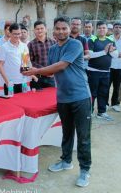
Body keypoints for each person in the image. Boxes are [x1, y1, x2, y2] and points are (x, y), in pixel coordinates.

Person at [23, 17, 92, 188]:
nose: (61, 31)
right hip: (62, 97)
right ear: (53, 30)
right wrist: (30, 71)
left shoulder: (75, 44)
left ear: (70, 29)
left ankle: (84, 170)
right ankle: (66, 161)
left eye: (64, 28)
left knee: (83, 136)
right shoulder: (53, 49)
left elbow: (61, 66)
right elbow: (51, 72)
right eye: (58, 28)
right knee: (66, 132)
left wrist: (36, 70)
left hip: (81, 96)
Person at [87, 21, 118, 121]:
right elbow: (90, 55)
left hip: (106, 72)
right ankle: (89, 112)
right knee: (92, 93)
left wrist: (111, 51)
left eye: (104, 28)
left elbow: (115, 55)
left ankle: (102, 112)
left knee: (104, 92)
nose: (102, 30)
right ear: (96, 29)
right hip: (93, 71)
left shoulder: (110, 40)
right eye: (100, 28)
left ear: (107, 29)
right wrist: (104, 52)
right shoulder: (92, 39)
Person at [0, 23, 30, 95]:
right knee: (10, 105)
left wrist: (25, 75)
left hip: (23, 82)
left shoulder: (24, 46)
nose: (17, 36)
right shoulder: (4, 47)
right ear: (10, 33)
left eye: (19, 33)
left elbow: (25, 63)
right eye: (15, 34)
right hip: (10, 83)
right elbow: (0, 65)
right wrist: (7, 81)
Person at [27, 20, 56, 89]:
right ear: (34, 30)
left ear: (45, 29)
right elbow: (29, 61)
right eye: (37, 29)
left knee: (51, 98)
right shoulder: (30, 44)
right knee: (36, 98)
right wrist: (43, 70)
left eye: (42, 28)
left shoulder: (53, 43)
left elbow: (57, 59)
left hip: (51, 77)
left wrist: (53, 71)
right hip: (37, 77)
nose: (40, 30)